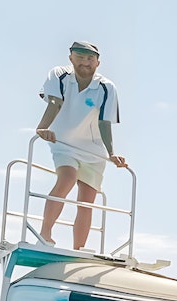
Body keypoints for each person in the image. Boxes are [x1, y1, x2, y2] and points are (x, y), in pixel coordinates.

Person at [35, 41, 128, 250]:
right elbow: (54, 102)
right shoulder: (58, 75)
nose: (85, 62)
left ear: (97, 62)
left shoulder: (106, 87)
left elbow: (105, 122)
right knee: (66, 179)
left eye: (90, 59)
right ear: (71, 58)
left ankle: (79, 249)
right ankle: (45, 235)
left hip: (93, 149)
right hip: (63, 142)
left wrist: (112, 153)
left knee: (86, 202)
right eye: (80, 57)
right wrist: (41, 128)